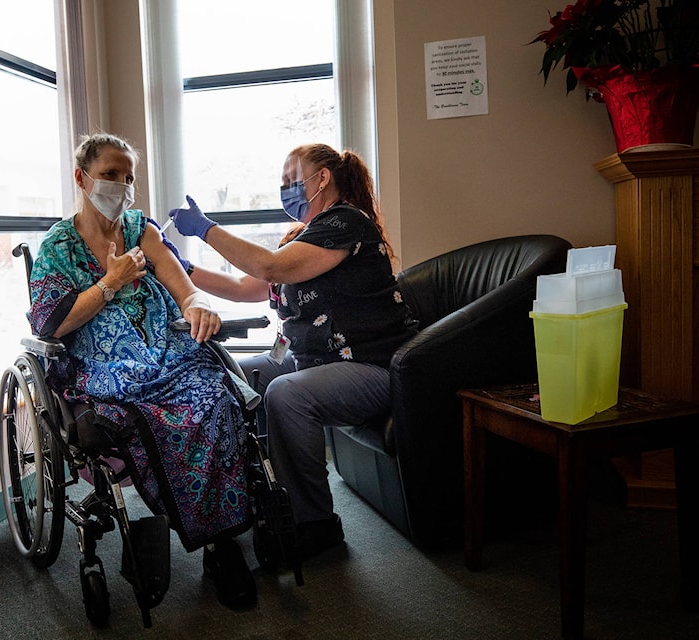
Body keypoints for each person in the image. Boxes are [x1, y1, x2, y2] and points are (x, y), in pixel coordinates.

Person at [27, 132, 256, 608]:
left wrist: (198, 305)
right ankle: (161, 521)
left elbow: (180, 284)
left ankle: (219, 543)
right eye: (110, 174)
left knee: (214, 398)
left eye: (128, 177)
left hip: (164, 351)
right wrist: (108, 284)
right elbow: (51, 322)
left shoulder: (140, 230)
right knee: (147, 416)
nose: (122, 185)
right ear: (82, 177)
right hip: (102, 361)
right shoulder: (57, 246)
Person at [169, 143, 417, 560]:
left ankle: (314, 524)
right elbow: (247, 287)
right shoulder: (302, 238)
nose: (286, 190)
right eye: (283, 184)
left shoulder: (346, 223)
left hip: (369, 367)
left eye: (292, 180)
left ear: (322, 179)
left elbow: (270, 267)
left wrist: (206, 229)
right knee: (232, 375)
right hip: (313, 362)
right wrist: (180, 268)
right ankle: (256, 499)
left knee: (288, 394)